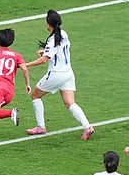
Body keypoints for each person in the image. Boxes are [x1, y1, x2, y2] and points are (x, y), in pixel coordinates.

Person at [25, 9, 94, 140]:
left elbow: (44, 59)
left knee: (35, 96)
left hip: (56, 74)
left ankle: (41, 127)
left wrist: (26, 65)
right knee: (70, 103)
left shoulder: (52, 40)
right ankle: (87, 127)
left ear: (48, 24)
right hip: (68, 73)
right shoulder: (63, 33)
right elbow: (58, 49)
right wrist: (45, 51)